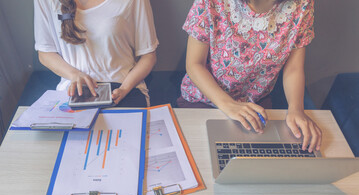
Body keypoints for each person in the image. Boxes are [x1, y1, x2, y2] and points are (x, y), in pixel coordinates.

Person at [177, 0, 321, 152]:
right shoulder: (210, 2)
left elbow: (293, 68)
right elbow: (194, 65)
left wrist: (296, 109)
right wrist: (228, 104)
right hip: (204, 99)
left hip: (255, 105)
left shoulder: (302, 4)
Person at [34, 0, 159, 107]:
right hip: (72, 92)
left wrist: (124, 89)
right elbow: (45, 53)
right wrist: (74, 74)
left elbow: (148, 55)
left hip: (125, 89)